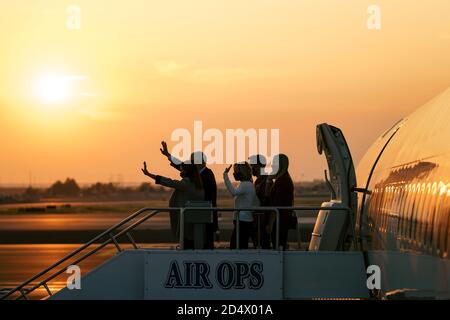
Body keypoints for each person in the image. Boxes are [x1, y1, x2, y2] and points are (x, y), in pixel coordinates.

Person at [160, 142, 218, 249]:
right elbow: (183, 167)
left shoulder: (206, 175)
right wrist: (168, 155)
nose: (190, 164)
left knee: (206, 245)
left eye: (192, 161)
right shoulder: (199, 174)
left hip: (205, 215)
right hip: (198, 215)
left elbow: (208, 197)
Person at [141, 161, 204, 249]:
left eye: (182, 169)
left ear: (187, 171)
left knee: (187, 241)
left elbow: (169, 182)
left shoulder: (186, 183)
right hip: (194, 218)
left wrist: (149, 174)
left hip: (187, 219)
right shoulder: (197, 182)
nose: (181, 171)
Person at [223, 162, 259, 249]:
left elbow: (233, 192)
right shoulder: (248, 184)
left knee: (236, 245)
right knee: (241, 244)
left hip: (242, 220)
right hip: (244, 219)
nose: (234, 174)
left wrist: (225, 176)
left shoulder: (245, 185)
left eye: (236, 171)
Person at [266, 154, 296, 250]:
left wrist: (270, 223)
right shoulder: (283, 179)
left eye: (275, 164)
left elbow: (276, 205)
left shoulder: (282, 181)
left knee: (278, 245)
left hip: (280, 220)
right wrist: (269, 181)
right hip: (282, 219)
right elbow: (268, 196)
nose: (272, 167)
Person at [248, 154, 271, 249]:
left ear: (258, 166)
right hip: (258, 221)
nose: (251, 168)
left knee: (262, 247)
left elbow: (265, 201)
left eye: (252, 165)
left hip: (261, 222)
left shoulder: (265, 181)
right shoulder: (258, 181)